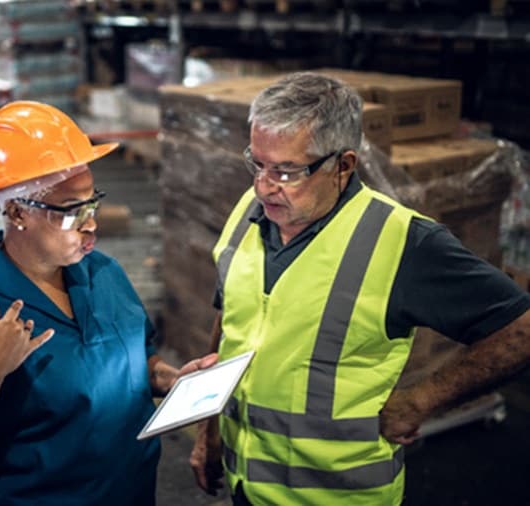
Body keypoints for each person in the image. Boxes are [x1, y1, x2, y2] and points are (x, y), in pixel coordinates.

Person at [188, 72, 530, 505]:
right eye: (257, 163)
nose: (263, 185)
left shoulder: (401, 241)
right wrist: (209, 428)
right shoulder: (250, 211)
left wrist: (421, 400)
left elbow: (521, 330)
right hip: (246, 487)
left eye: (287, 171)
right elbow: (232, 315)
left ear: (343, 165)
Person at [0, 100, 216, 505]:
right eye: (73, 210)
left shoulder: (104, 273)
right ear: (17, 212)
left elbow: (133, 359)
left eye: (92, 202)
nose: (91, 222)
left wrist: (167, 377)